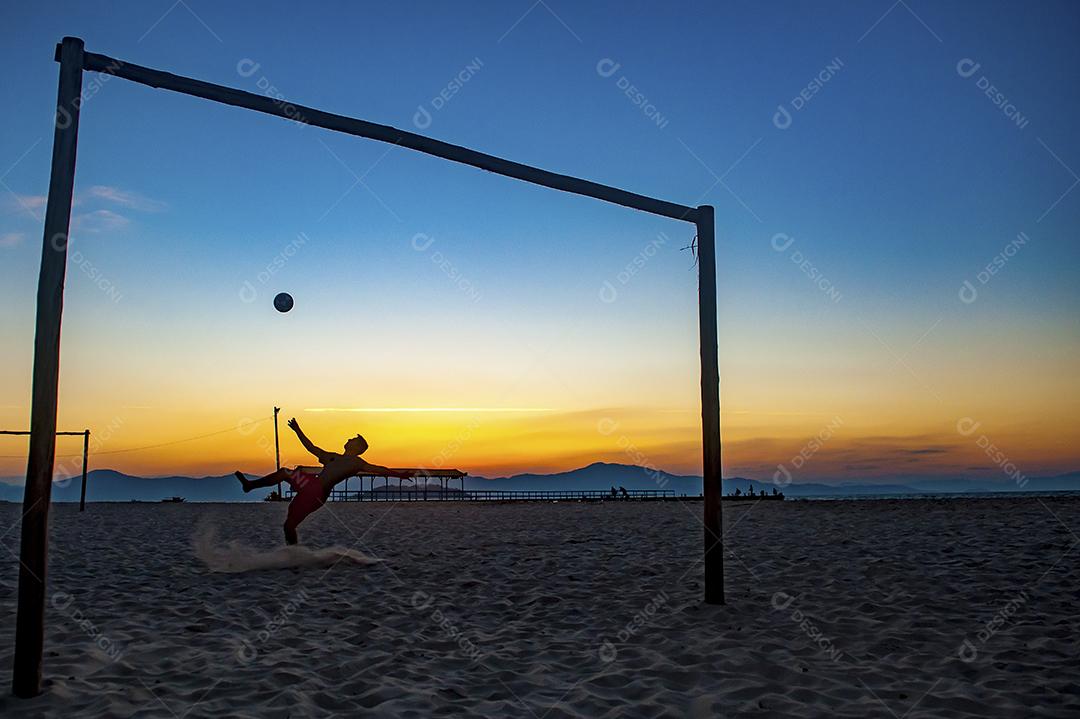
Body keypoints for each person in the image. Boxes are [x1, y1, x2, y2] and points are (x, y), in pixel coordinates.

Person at [235, 417, 408, 544]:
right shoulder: (332, 457)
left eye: (352, 440)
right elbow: (312, 448)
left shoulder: (357, 462)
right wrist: (297, 430)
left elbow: (380, 470)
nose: (348, 439)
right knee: (288, 524)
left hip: (317, 492)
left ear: (357, 448)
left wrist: (400, 476)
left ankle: (250, 486)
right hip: (310, 486)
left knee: (285, 475)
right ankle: (293, 553)